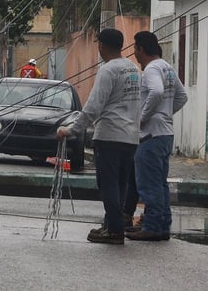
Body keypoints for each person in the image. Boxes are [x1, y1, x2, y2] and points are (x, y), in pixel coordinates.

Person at [57, 28, 141, 245]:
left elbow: (94, 106)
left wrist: (71, 130)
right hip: (130, 137)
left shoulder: (108, 70)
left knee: (108, 184)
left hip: (110, 136)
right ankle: (113, 223)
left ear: (101, 46)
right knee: (121, 184)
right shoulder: (133, 69)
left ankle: (113, 230)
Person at [124, 31, 188, 241]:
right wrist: (166, 113)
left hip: (150, 135)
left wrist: (143, 117)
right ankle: (162, 225)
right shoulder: (166, 67)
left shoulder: (151, 69)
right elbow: (182, 96)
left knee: (148, 184)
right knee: (160, 183)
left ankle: (152, 226)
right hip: (165, 134)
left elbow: (157, 92)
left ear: (141, 49)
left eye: (135, 49)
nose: (135, 54)